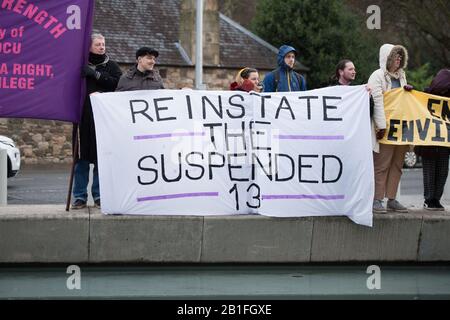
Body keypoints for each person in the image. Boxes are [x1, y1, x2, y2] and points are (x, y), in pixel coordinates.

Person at [72, 33, 122, 209]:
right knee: (81, 160)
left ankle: (99, 195)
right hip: (83, 119)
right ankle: (79, 197)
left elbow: (118, 85)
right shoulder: (79, 65)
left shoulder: (112, 66)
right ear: (89, 47)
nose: (102, 47)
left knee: (101, 159)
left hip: (104, 120)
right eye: (98, 44)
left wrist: (96, 75)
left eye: (103, 44)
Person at [368, 44, 413, 213]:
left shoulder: (402, 77)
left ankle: (392, 199)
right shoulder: (377, 76)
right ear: (387, 58)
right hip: (385, 129)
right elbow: (378, 102)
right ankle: (377, 199)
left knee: (397, 164)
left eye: (401, 57)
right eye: (395, 56)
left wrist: (407, 92)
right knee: (382, 164)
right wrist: (381, 126)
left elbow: (403, 102)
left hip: (399, 129)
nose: (398, 60)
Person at [415, 69, 450, 211]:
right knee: (435, 170)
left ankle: (433, 199)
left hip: (440, 140)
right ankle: (431, 199)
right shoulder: (426, 96)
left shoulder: (427, 94)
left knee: (438, 170)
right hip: (432, 140)